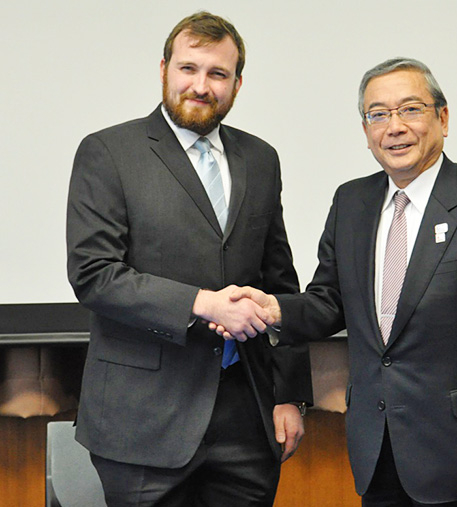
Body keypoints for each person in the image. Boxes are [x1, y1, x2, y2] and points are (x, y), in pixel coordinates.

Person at [225, 58, 457, 506]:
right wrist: (273, 310)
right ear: (366, 129)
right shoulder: (351, 201)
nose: (394, 127)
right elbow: (329, 300)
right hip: (376, 447)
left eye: (410, 109)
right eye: (378, 114)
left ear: (442, 118)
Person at [66, 11, 311, 507]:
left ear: (237, 84)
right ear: (163, 70)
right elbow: (94, 274)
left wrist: (289, 394)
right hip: (142, 423)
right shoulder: (108, 152)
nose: (201, 86)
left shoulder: (261, 159)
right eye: (188, 69)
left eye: (218, 74)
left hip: (247, 416)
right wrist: (205, 304)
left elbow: (279, 280)